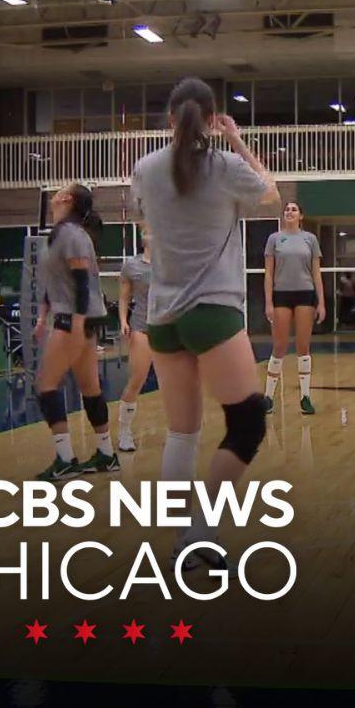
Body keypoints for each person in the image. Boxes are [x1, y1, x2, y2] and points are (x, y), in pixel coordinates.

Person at [129, 77, 281, 570]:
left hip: (162, 317)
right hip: (212, 311)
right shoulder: (225, 166)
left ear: (170, 119)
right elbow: (272, 193)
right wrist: (236, 139)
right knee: (249, 422)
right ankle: (200, 533)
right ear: (212, 121)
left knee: (182, 432)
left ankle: (184, 539)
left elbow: (144, 218)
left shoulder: (144, 169)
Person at [33, 183, 120, 481]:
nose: (54, 194)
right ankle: (106, 454)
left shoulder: (72, 234)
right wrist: (42, 317)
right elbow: (55, 283)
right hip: (76, 316)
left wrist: (78, 321)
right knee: (90, 388)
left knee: (46, 385)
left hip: (74, 317)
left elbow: (82, 281)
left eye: (59, 190)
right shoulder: (60, 234)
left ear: (67, 198)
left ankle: (66, 459)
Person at [262, 201, 325, 415]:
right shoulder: (274, 239)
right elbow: (268, 274)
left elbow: (316, 273)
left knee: (302, 346)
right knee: (279, 346)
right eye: (287, 209)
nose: (289, 212)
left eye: (294, 209)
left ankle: (305, 397)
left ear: (301, 216)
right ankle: (268, 397)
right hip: (281, 294)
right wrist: (268, 302)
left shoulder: (310, 239)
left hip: (305, 293)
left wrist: (321, 302)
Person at [116, 224, 153, 452]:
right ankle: (124, 431)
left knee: (176, 382)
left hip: (168, 328)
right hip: (142, 327)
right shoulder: (131, 265)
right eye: (148, 232)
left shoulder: (171, 263)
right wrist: (123, 321)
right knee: (137, 378)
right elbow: (123, 297)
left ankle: (181, 434)